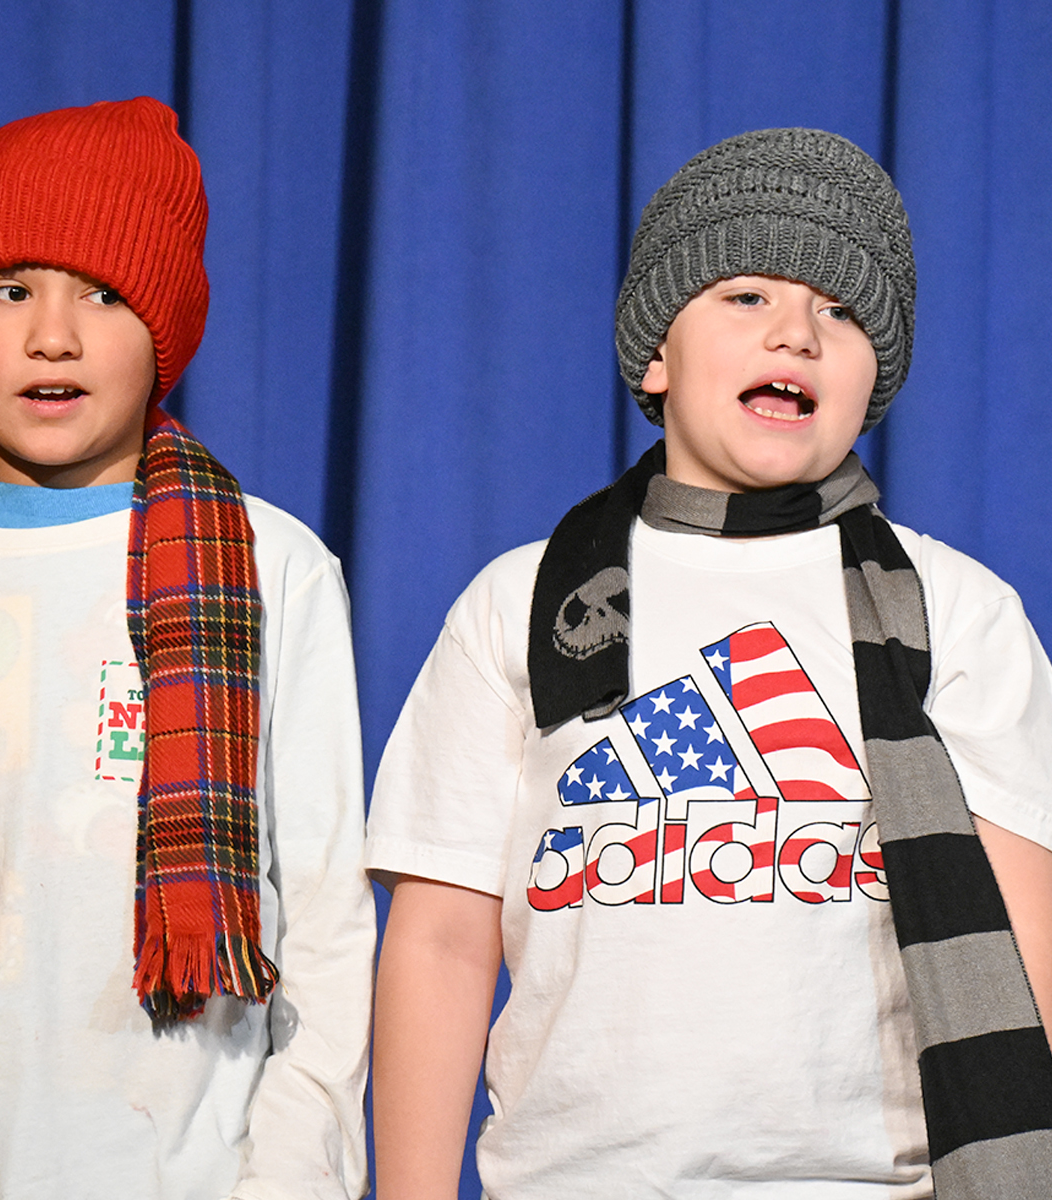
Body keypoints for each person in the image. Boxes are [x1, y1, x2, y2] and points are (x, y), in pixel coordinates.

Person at [367, 128, 1052, 1199]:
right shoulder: (527, 600)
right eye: (746, 297)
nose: (798, 334)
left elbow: (1022, 941)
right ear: (656, 353)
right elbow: (444, 943)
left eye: (842, 311)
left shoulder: (955, 609)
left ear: (876, 379)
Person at [0, 97, 373, 1199]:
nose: (55, 334)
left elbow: (324, 930)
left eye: (106, 293)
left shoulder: (273, 568)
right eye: (10, 291)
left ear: (165, 338)